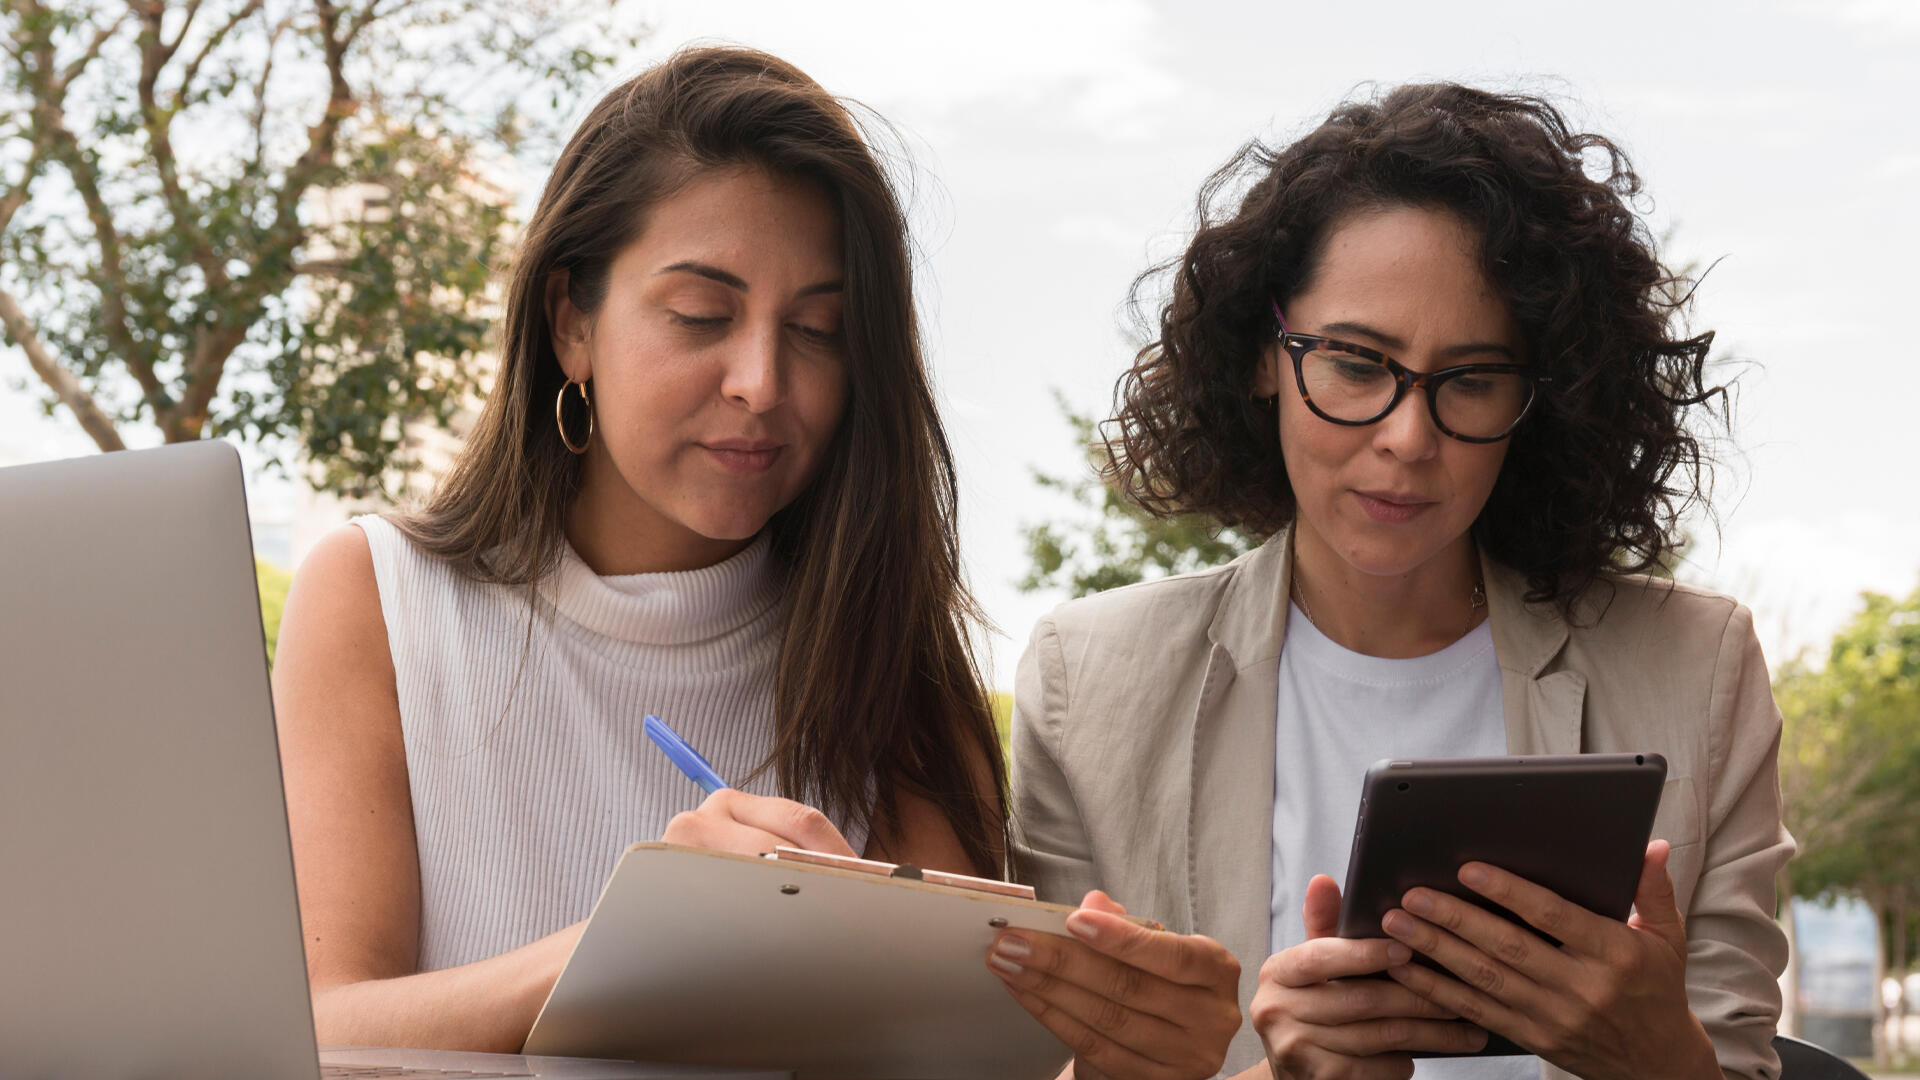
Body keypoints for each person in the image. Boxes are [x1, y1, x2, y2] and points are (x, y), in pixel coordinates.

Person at [272, 46, 1237, 1069]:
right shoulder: (380, 594)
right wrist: (628, 944)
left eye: (819, 330)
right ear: (570, 320)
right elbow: (311, 1028)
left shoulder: (888, 648)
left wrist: (1124, 1060)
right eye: (701, 315)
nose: (762, 380)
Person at [1006, 83, 1794, 1080]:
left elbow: (1736, 1058)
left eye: (1471, 380)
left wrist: (1660, 1063)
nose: (1408, 438)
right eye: (1356, 363)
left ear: (1539, 397)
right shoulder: (1092, 684)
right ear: (1264, 353)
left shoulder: (1699, 671)